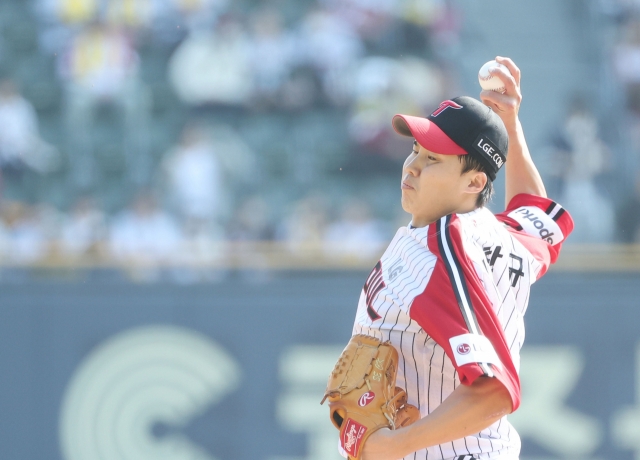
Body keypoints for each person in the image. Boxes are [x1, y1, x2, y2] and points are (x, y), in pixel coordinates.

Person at [341, 57, 574, 460]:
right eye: (415, 150)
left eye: (432, 159)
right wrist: (509, 125)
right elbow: (533, 210)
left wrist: (394, 446)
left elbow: (493, 392)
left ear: (474, 182)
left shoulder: (440, 250)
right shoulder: (500, 235)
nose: (411, 167)